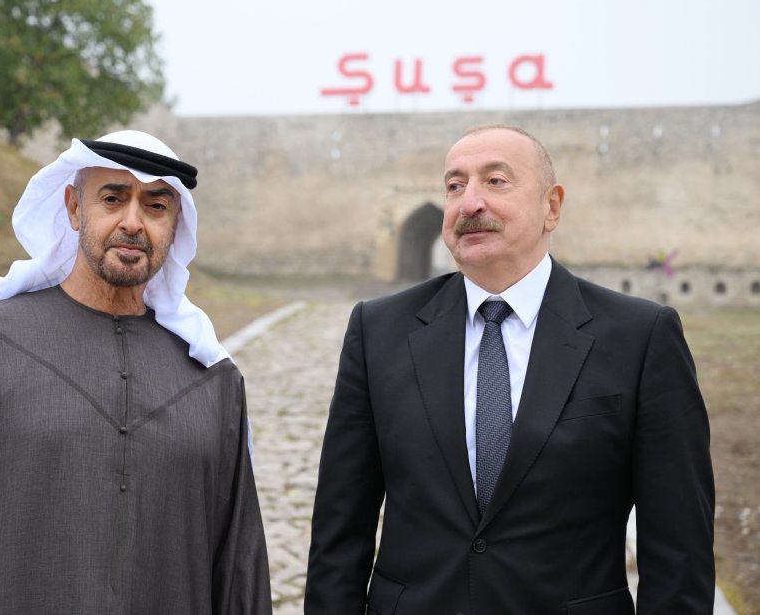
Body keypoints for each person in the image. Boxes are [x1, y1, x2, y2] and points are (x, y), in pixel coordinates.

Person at [305, 124, 714, 614]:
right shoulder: (378, 331)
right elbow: (339, 529)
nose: (469, 203)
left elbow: (679, 549)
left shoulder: (639, 337)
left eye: (495, 181)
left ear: (551, 207)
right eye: (454, 185)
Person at [0, 131, 272, 614]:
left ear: (175, 224)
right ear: (75, 208)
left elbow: (239, 571)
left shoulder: (213, 382)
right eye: (113, 199)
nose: (133, 222)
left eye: (155, 206)